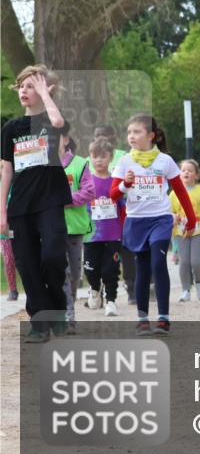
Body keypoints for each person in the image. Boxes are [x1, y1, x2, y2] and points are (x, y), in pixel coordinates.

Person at [0, 66, 72, 342]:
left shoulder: (49, 120)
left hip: (51, 199)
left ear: (43, 90)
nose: (24, 91)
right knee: (28, 266)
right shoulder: (10, 128)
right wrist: (2, 211)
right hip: (20, 205)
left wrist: (45, 95)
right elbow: (7, 171)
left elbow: (58, 122)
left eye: (31, 86)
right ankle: (40, 324)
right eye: (21, 86)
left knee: (53, 256)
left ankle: (57, 310)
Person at [110, 114, 196, 335]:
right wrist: (125, 184)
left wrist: (191, 219)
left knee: (158, 263)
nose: (131, 136)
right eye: (129, 132)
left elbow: (180, 191)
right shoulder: (124, 161)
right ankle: (142, 319)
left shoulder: (165, 161)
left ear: (151, 136)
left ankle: (164, 318)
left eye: (137, 132)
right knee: (142, 269)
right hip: (136, 221)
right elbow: (113, 195)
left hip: (160, 219)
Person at [92, 124, 135, 303]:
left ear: (113, 138)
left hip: (121, 212)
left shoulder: (124, 157)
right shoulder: (90, 158)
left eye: (105, 135)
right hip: (97, 219)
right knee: (98, 258)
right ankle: (98, 292)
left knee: (126, 254)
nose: (101, 138)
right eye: (97, 135)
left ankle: (131, 288)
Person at [83, 136, 125, 316]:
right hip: (91, 234)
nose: (99, 160)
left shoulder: (116, 182)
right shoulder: (87, 181)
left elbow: (123, 205)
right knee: (90, 269)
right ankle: (94, 288)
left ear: (111, 157)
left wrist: (125, 228)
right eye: (95, 156)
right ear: (90, 157)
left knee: (111, 269)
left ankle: (111, 301)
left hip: (113, 233)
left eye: (103, 156)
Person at [61, 129, 95, 333]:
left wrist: (64, 200)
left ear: (65, 140)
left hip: (75, 227)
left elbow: (89, 192)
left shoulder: (80, 163)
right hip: (51, 227)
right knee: (61, 272)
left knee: (74, 274)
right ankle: (68, 317)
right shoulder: (43, 166)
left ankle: (69, 308)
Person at [170, 160, 200, 302]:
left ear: (196, 175)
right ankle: (185, 290)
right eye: (183, 170)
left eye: (190, 170)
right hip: (180, 232)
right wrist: (174, 217)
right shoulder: (174, 193)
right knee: (184, 262)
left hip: (198, 231)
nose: (186, 173)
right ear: (179, 174)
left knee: (195, 262)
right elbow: (170, 211)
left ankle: (199, 282)